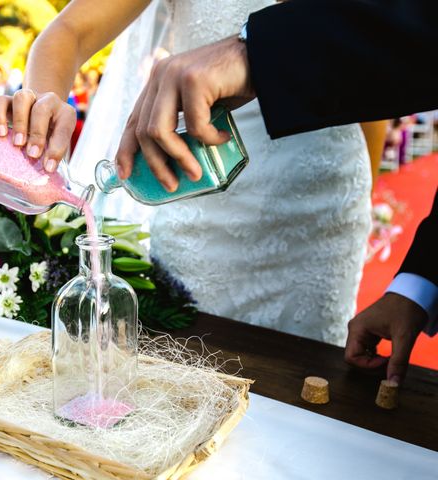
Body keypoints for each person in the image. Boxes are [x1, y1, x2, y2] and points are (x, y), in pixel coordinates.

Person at [0, 0, 373, 346]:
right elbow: (69, 32)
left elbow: (385, 43)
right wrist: (44, 98)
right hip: (191, 188)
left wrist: (364, 183)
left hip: (320, 200)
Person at [114, 0, 438, 383]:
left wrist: (358, 193)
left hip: (321, 208)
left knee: (308, 384)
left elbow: (378, 61)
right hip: (203, 201)